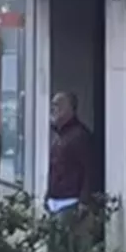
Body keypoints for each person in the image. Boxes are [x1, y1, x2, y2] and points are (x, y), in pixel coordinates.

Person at [45, 91, 97, 233]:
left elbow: (89, 169)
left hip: (70, 201)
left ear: (70, 109)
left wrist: (84, 200)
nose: (54, 109)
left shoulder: (80, 135)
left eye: (58, 105)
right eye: (53, 105)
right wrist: (48, 195)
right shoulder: (59, 136)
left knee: (64, 242)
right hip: (54, 201)